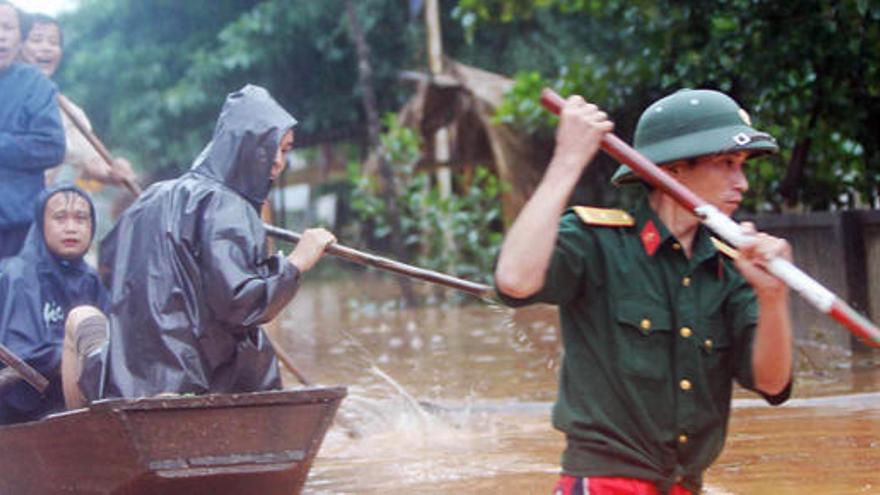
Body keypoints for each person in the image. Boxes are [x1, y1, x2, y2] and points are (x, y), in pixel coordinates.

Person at [494, 89, 793, 494]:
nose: (741, 182)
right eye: (725, 164)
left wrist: (773, 298)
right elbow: (514, 279)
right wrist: (568, 160)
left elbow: (773, 385)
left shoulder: (731, 267)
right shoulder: (597, 241)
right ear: (672, 170)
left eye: (742, 166)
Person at [62, 84, 336, 407]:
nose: (277, 162)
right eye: (268, 148)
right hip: (199, 383)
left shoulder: (152, 196)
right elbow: (241, 303)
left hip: (125, 383)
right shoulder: (229, 205)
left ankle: (88, 429)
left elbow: (108, 266)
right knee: (253, 343)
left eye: (286, 150)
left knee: (82, 320)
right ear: (242, 146)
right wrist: (295, 265)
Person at [0, 184, 107, 425]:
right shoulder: (18, 275)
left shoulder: (92, 280)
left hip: (81, 402)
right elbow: (21, 351)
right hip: (25, 413)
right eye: (60, 218)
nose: (71, 227)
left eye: (81, 218)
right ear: (41, 224)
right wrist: (75, 354)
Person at [19, 13, 137, 190]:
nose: (47, 48)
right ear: (16, 46)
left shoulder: (68, 113)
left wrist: (115, 172)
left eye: (54, 42)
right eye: (36, 40)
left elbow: (92, 162)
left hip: (31, 212)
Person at [0, 1, 66, 259]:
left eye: (7, 28)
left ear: (20, 38)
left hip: (16, 228)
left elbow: (51, 146)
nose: (1, 36)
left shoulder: (36, 85)